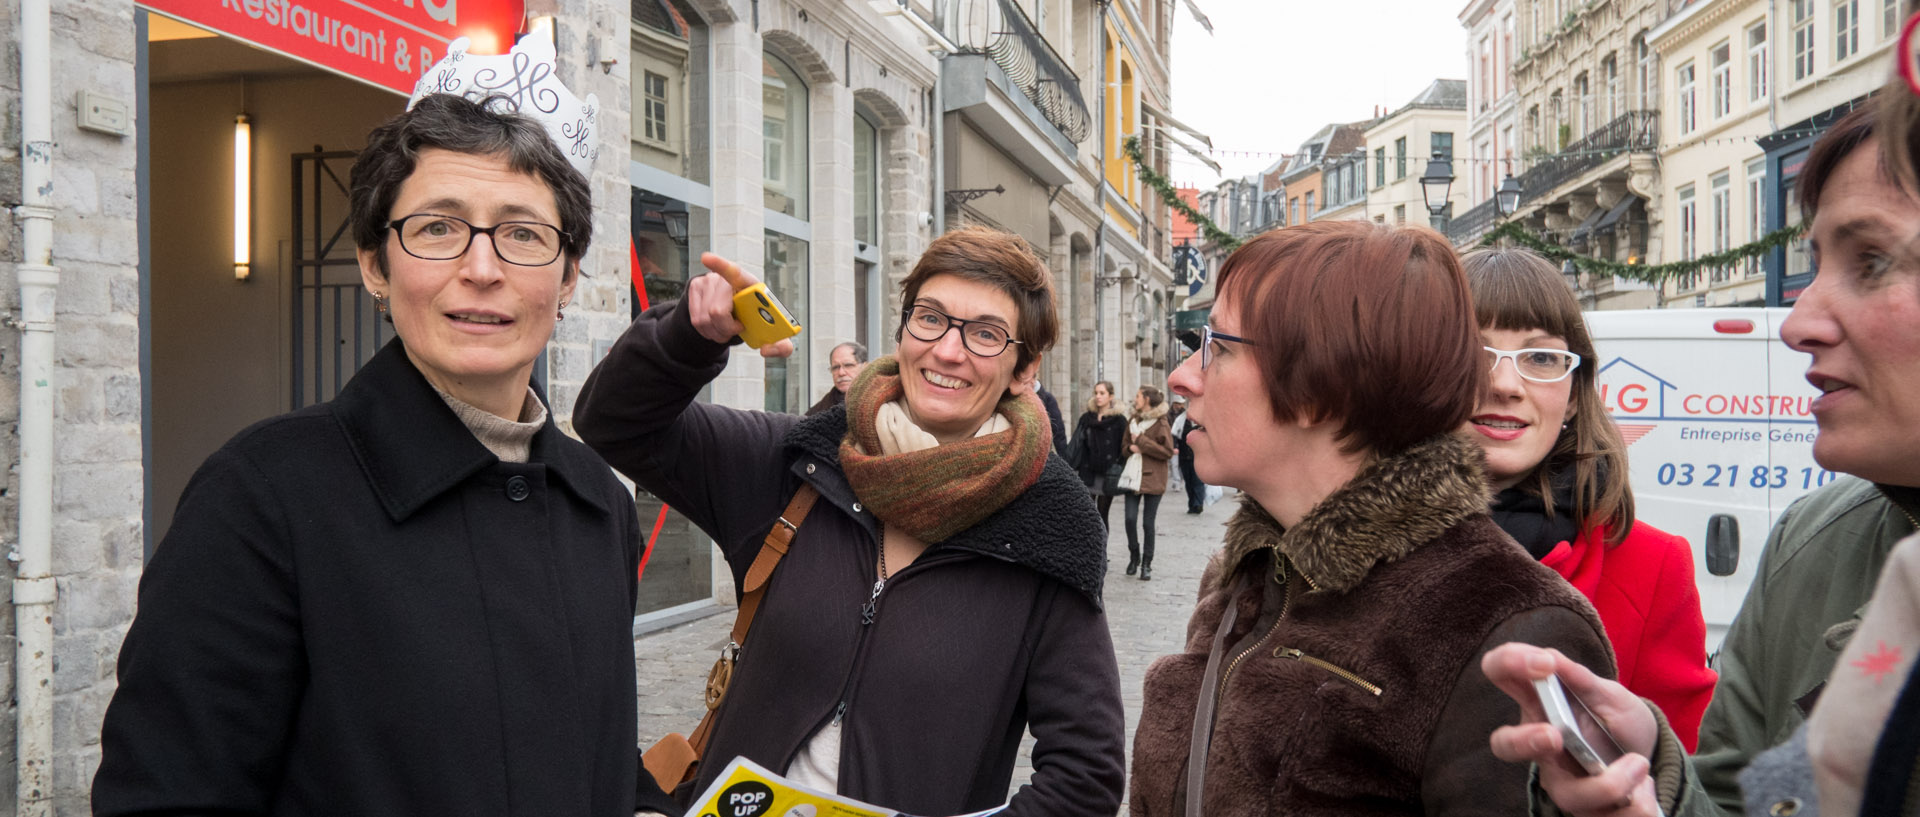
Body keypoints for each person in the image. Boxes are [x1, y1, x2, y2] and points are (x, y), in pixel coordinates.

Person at [93, 81, 668, 816]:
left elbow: (591, 752)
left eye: (523, 233)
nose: (484, 268)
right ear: (374, 264)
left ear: (568, 279)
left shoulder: (598, 502)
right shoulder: (263, 498)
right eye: (438, 229)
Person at [573, 225, 1126, 816]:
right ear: (904, 330)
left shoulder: (1051, 525)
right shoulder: (798, 461)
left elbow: (1086, 771)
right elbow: (614, 423)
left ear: (1024, 369)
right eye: (931, 317)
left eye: (985, 334)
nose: (947, 350)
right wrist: (687, 340)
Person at [1482, 101, 1920, 817]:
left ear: (1577, 384)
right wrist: (1656, 781)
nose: (1800, 321)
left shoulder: (1667, 560)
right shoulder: (1810, 548)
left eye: (1871, 260)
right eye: (1474, 353)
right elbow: (1741, 798)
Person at [1128, 220, 1614, 817]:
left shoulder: (1510, 624)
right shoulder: (1247, 573)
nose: (1183, 376)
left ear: (1320, 387)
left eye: (1220, 348)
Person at [1461, 247, 1718, 749]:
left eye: (1540, 357)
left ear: (1576, 394)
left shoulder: (1652, 565)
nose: (1505, 383)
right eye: (1473, 353)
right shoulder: (1356, 547)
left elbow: (1691, 777)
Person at [1120, 386, 1173, 579]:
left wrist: (1142, 441)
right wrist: (1130, 448)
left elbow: (1167, 452)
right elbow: (1124, 447)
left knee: (1148, 523)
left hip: (1153, 478)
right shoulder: (1133, 420)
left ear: (1147, 399)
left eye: (1138, 396)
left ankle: (1147, 564)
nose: (1135, 399)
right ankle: (1134, 556)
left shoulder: (1161, 423)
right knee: (1129, 519)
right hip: (1132, 476)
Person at [1072, 381, 1128, 533]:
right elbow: (1077, 444)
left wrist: (1118, 466)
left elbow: (1124, 447)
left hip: (1107, 474)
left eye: (1102, 393)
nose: (1098, 397)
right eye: (1096, 393)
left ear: (1110, 396)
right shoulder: (1086, 418)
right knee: (1088, 514)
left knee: (1103, 513)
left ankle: (1101, 552)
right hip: (1088, 471)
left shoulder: (1119, 420)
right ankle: (1089, 551)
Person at [807, 341, 867, 416]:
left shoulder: (880, 400)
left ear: (865, 367)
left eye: (848, 365)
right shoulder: (819, 410)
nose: (841, 373)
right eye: (835, 367)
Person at [1170, 397, 1207, 514]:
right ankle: (1191, 504)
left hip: (1198, 456)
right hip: (1184, 456)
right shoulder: (1181, 420)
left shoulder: (1202, 421)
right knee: (1188, 481)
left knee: (1198, 481)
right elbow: (1174, 435)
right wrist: (1175, 446)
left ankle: (1198, 504)